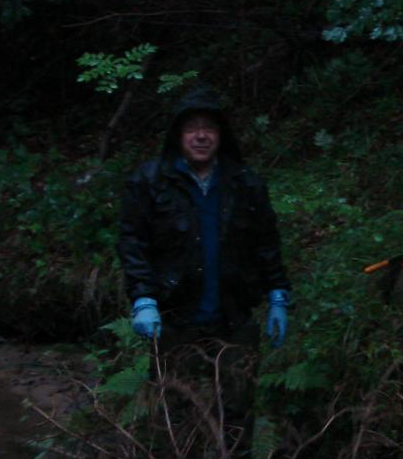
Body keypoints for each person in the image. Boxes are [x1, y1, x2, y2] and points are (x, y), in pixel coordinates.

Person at [117, 85, 291, 355]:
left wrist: (278, 294)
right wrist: (143, 298)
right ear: (178, 135)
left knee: (236, 396)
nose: (201, 136)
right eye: (191, 128)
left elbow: (266, 242)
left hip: (234, 317)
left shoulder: (245, 184)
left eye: (209, 128)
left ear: (221, 135)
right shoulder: (148, 182)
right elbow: (133, 242)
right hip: (173, 318)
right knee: (177, 396)